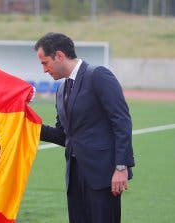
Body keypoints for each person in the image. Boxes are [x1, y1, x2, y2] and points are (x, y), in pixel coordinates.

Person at [34, 32, 135, 223]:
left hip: (103, 175)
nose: (44, 70)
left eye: (45, 62)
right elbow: (64, 136)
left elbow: (122, 121)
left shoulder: (98, 75)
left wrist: (121, 167)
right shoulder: (61, 89)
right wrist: (28, 125)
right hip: (75, 176)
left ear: (60, 56)